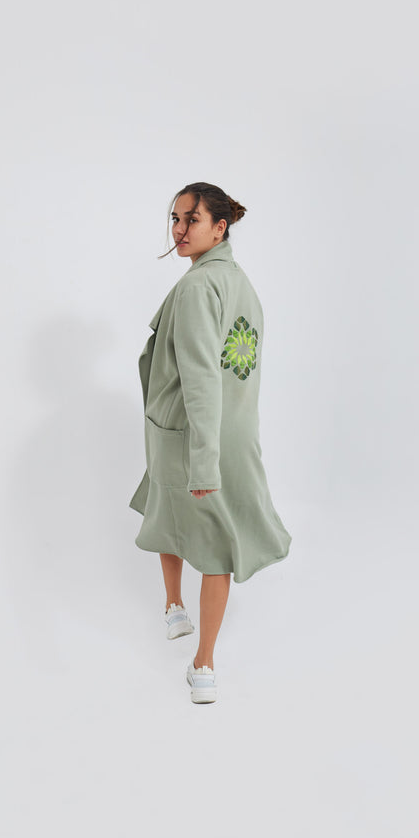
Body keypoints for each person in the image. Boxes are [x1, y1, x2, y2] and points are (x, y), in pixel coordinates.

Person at [129, 182, 292, 704]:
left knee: (204, 535)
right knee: (175, 516)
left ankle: (203, 664)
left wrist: (203, 461)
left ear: (219, 228)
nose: (179, 230)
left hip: (193, 434)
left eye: (191, 220)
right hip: (230, 430)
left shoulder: (199, 288)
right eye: (175, 219)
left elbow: (201, 378)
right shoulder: (237, 281)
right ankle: (175, 610)